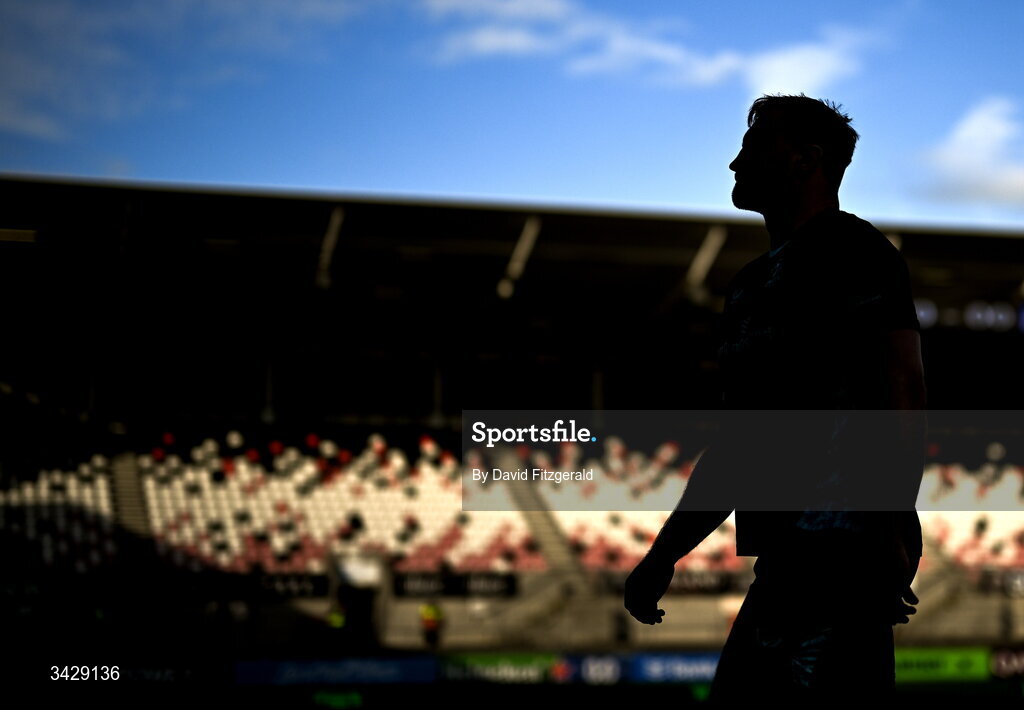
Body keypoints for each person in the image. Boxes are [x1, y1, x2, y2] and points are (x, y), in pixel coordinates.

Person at [624, 94, 927, 702]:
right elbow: (741, 441)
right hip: (787, 567)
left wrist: (889, 523)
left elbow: (905, 387)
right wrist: (665, 553)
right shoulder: (748, 289)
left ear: (805, 161)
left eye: (755, 145)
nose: (735, 164)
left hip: (844, 561)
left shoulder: (856, 253)